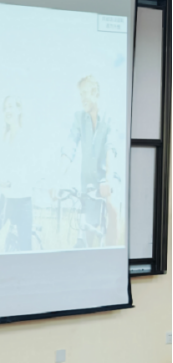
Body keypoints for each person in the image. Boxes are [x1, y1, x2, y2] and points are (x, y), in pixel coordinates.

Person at [60, 75, 118, 246]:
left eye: (86, 93)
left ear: (96, 94)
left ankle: (113, 254)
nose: (83, 98)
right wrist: (58, 179)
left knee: (111, 207)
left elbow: (110, 150)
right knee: (87, 235)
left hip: (107, 180)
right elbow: (70, 147)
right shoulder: (79, 118)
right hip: (88, 185)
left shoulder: (108, 118)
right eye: (81, 94)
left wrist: (108, 180)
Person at [0, 96, 36, 252]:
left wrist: (12, 180)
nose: (7, 111)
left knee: (25, 250)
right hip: (6, 200)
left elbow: (28, 167)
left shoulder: (25, 136)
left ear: (19, 110)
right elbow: (2, 165)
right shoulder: (4, 137)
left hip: (23, 201)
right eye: (5, 108)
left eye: (11, 107)